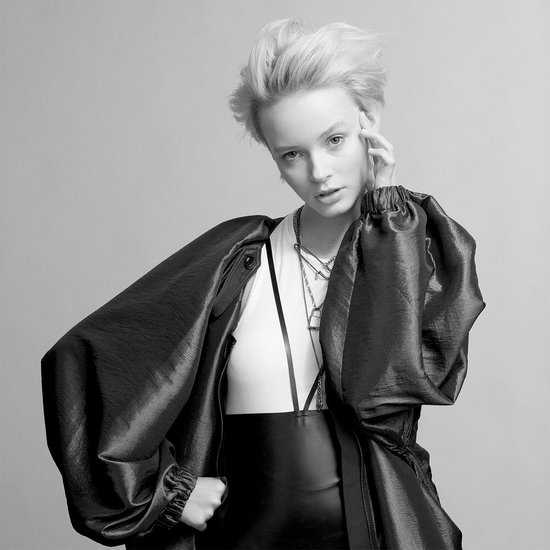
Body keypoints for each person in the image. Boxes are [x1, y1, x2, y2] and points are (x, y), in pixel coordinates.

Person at [42, 18, 485, 550]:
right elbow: (87, 365)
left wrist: (385, 212)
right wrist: (170, 493)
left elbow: (385, 388)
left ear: (368, 122)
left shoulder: (414, 250)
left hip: (376, 532)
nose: (318, 171)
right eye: (291, 154)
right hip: (242, 537)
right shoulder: (236, 261)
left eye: (335, 140)